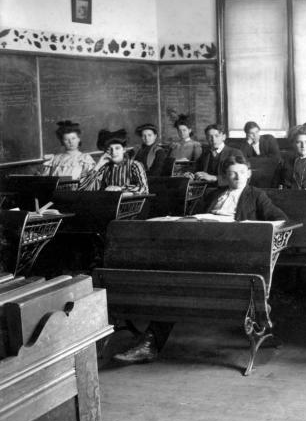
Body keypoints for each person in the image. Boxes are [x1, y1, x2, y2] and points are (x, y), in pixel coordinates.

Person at [112, 155, 287, 364]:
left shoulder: (257, 195)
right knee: (171, 282)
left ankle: (151, 341)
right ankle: (150, 343)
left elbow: (280, 219)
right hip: (202, 249)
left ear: (249, 174)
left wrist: (249, 228)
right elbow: (194, 218)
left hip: (233, 255)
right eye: (232, 172)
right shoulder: (214, 194)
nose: (237, 176)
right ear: (224, 176)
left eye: (241, 172)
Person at [80, 130, 149, 194]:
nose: (113, 152)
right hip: (109, 204)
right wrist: (98, 165)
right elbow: (84, 190)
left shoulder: (134, 165)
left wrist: (120, 189)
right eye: (109, 149)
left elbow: (144, 188)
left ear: (124, 149)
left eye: (117, 148)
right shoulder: (105, 167)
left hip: (131, 205)